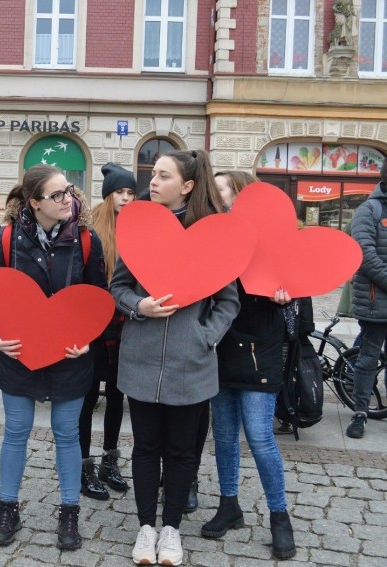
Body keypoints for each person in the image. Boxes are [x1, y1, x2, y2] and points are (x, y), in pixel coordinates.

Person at [109, 149, 239, 566]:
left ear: (186, 185)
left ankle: (171, 531)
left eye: (163, 176)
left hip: (191, 363)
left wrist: (205, 336)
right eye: (153, 173)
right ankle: (146, 528)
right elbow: (118, 286)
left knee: (183, 452)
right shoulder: (139, 227)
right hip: (141, 359)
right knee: (145, 447)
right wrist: (137, 307)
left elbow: (228, 301)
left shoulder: (212, 233)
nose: (153, 181)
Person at [0, 165, 105, 550]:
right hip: (20, 353)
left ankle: (69, 511)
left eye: (68, 191)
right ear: (34, 202)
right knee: (16, 432)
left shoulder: (87, 240)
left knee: (67, 434)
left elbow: (98, 299)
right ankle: (8, 507)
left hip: (70, 356)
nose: (67, 200)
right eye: (56, 195)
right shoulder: (6, 240)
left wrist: (89, 339)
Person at [201, 170, 296, 560]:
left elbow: (296, 313)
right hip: (220, 349)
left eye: (220, 189)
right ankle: (229, 505)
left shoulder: (268, 240)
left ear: (238, 194)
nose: (215, 194)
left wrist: (286, 298)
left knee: (259, 436)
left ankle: (279, 515)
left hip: (260, 351)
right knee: (223, 436)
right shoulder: (214, 235)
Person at [78, 162, 135, 502]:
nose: (126, 198)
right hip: (94, 326)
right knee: (86, 397)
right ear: (108, 194)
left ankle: (109, 461)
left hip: (125, 326)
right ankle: (83, 465)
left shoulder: (138, 225)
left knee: (116, 395)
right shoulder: (93, 230)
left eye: (130, 192)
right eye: (120, 192)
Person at [347, 161, 387, 439]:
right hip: (376, 301)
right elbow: (365, 254)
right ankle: (360, 412)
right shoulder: (369, 209)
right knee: (368, 358)